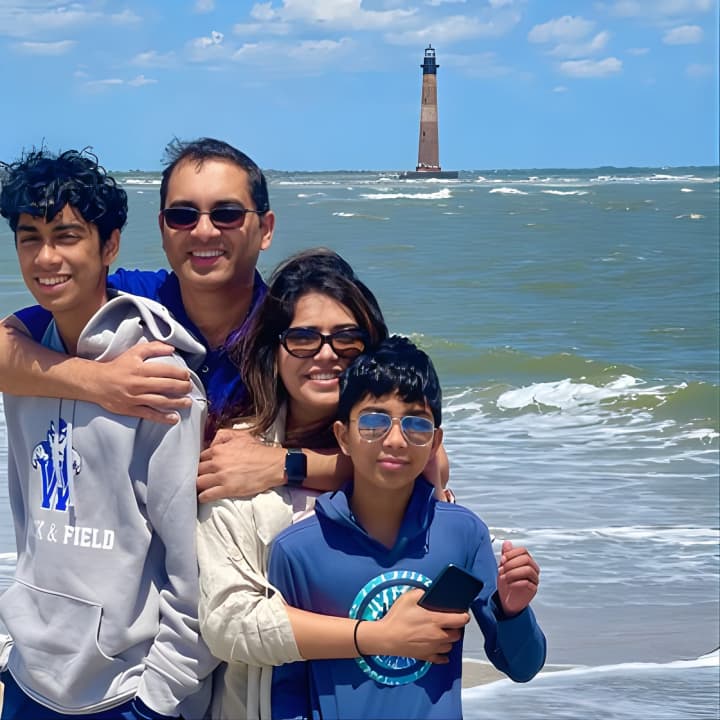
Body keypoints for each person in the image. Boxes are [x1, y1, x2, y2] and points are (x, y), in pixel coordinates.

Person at [0, 138, 363, 500]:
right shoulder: (128, 301)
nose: (204, 231)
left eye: (227, 214)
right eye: (183, 216)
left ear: (265, 229)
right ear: (163, 228)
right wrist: (98, 381)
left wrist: (283, 464)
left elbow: (390, 446)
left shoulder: (295, 328)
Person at [197, 249, 466, 720]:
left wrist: (290, 465)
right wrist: (375, 637)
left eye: (347, 339)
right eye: (303, 338)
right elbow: (229, 623)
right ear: (273, 349)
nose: (326, 354)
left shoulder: (402, 456)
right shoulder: (237, 455)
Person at [0, 148, 216, 719]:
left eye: (67, 236)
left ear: (110, 245)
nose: (46, 257)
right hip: (28, 677)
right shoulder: (23, 368)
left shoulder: (160, 381)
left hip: (125, 692)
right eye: (29, 238)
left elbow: (190, 567)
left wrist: (157, 700)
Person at [268, 335, 547, 720]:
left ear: (435, 442)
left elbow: (522, 666)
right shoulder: (299, 550)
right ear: (343, 436)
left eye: (416, 424)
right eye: (374, 422)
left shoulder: (462, 534)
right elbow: (287, 687)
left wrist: (513, 610)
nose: (396, 440)